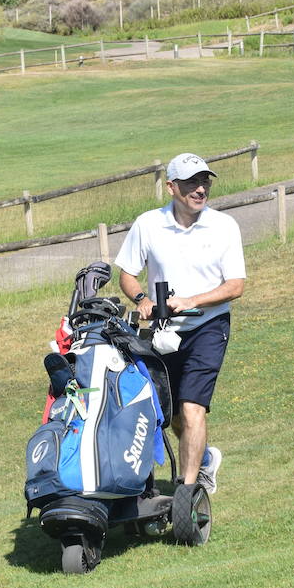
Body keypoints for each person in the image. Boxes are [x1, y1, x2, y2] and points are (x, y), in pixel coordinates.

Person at [115, 153, 246, 494]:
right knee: (170, 412)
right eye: (191, 182)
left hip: (209, 326)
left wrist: (192, 301)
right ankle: (204, 461)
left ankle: (188, 492)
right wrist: (142, 300)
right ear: (171, 187)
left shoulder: (224, 226)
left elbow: (235, 286)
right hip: (163, 333)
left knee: (192, 408)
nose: (200, 189)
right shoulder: (147, 224)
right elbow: (127, 273)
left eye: (205, 181)